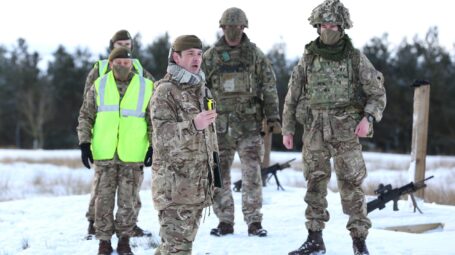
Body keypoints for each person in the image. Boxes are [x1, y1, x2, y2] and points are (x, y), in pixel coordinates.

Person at [282, 0, 386, 254]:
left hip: (345, 130)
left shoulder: (355, 58)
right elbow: (292, 93)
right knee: (314, 184)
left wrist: (368, 118)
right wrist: (287, 128)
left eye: (333, 24)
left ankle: (359, 242)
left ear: (342, 26)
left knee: (351, 184)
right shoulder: (308, 57)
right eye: (324, 24)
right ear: (317, 26)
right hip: (314, 129)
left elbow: (377, 93)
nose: (329, 29)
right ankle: (314, 239)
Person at [202, 7, 281, 237]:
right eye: (229, 27)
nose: (233, 31)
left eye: (237, 27)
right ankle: (225, 221)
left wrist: (273, 116)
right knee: (219, 175)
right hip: (219, 128)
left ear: (244, 28)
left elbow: (269, 85)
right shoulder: (211, 56)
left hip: (249, 126)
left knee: (252, 175)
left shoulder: (255, 55)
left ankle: (254, 221)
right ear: (222, 28)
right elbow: (199, 89)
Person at [77, 47, 154, 255]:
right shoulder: (99, 85)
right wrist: (84, 144)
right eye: (118, 62)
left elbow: (153, 120)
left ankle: (124, 240)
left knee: (128, 202)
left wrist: (153, 146)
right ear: (111, 64)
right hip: (105, 155)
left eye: (126, 63)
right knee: (103, 201)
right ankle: (103, 241)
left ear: (132, 64)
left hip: (133, 155)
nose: (122, 66)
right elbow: (86, 116)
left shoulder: (146, 86)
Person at [150, 35, 218, 255]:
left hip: (197, 185)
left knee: (173, 247)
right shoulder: (165, 91)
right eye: (190, 54)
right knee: (178, 249)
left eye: (199, 54)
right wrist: (193, 125)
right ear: (176, 57)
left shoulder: (201, 89)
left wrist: (213, 172)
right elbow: (161, 137)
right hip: (175, 188)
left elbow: (209, 137)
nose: (196, 59)